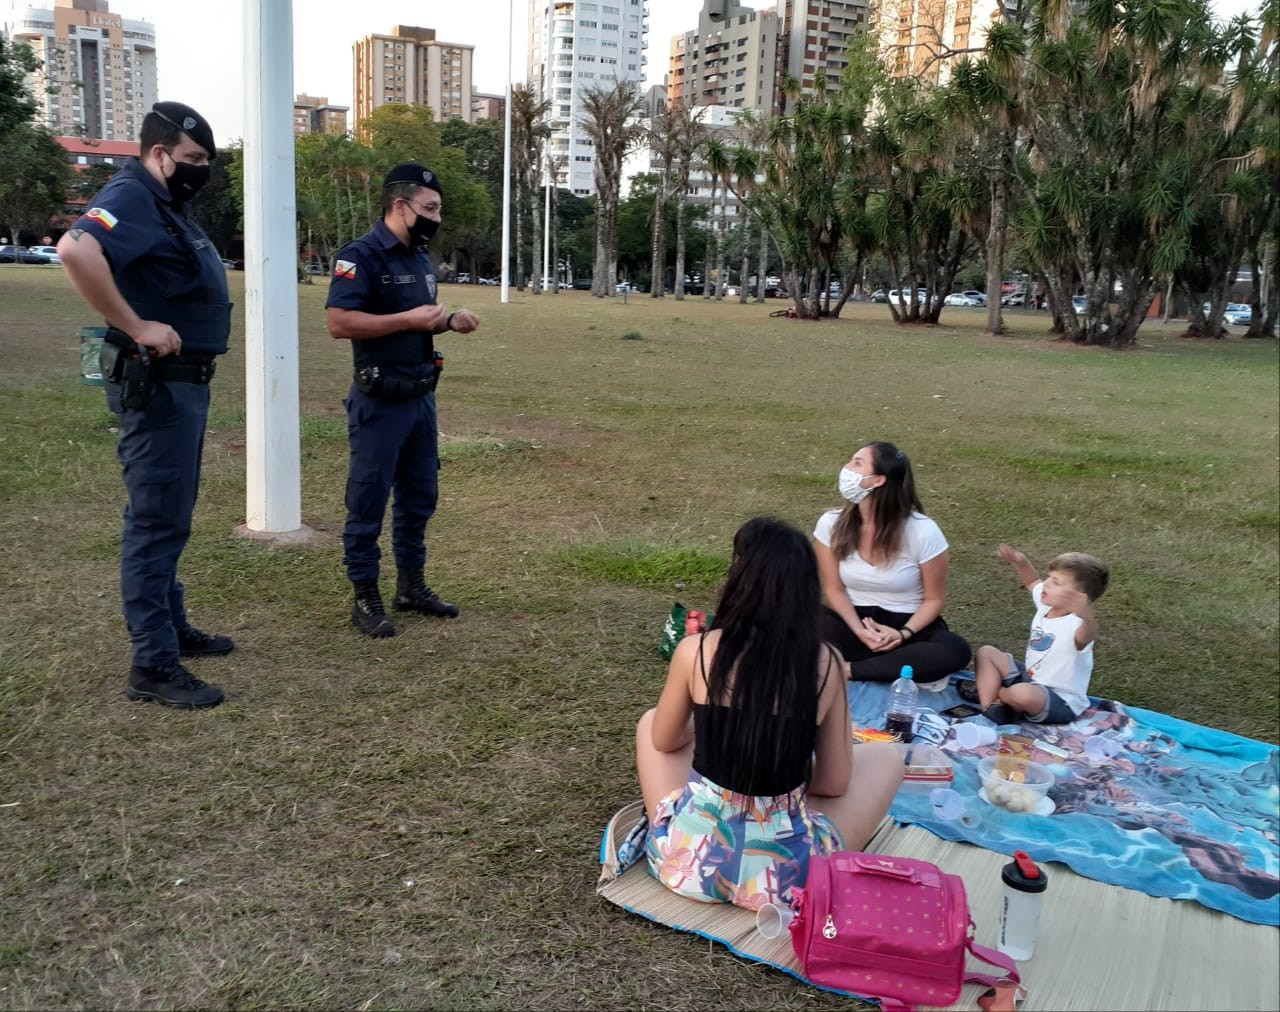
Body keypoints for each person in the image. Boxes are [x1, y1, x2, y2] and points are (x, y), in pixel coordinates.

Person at [57, 101, 233, 710]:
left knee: (169, 514)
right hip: (157, 380)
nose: (199, 172)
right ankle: (153, 665)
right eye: (191, 160)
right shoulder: (132, 191)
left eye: (205, 162)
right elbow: (75, 250)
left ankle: (170, 629)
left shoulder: (162, 203)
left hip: (181, 382)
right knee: (156, 518)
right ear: (159, 153)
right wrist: (135, 326)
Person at [635, 517, 904, 911]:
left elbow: (664, 742)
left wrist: (713, 732)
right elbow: (833, 783)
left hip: (688, 864)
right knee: (886, 757)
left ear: (737, 576)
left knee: (650, 722)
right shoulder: (826, 663)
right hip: (788, 878)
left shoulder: (696, 651)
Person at [325, 163, 478, 637]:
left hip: (419, 396)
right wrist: (409, 321)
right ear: (399, 205)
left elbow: (421, 318)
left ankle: (411, 586)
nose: (435, 217)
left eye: (438, 210)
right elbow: (340, 323)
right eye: (428, 208)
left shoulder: (418, 258)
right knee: (368, 499)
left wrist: (448, 321)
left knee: (419, 497)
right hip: (379, 399)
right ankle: (365, 594)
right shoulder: (361, 255)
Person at [813, 441, 972, 687]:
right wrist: (859, 631)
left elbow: (934, 600)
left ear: (878, 480)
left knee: (954, 650)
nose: (847, 468)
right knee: (794, 619)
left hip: (907, 626)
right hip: (851, 621)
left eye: (857, 463)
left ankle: (849, 669)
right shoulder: (830, 523)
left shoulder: (923, 530)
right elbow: (834, 589)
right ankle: (886, 667)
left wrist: (902, 634)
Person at [970, 545, 1108, 724]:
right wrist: (1020, 561)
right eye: (1050, 577)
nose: (1047, 583)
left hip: (1059, 700)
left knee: (1023, 693)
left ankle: (999, 694)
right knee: (986, 653)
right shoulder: (1047, 606)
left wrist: (1086, 615)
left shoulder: (1078, 624)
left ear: (1079, 598)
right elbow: (1032, 581)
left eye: (1056, 582)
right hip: (1032, 678)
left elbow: (1088, 634)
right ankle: (992, 708)